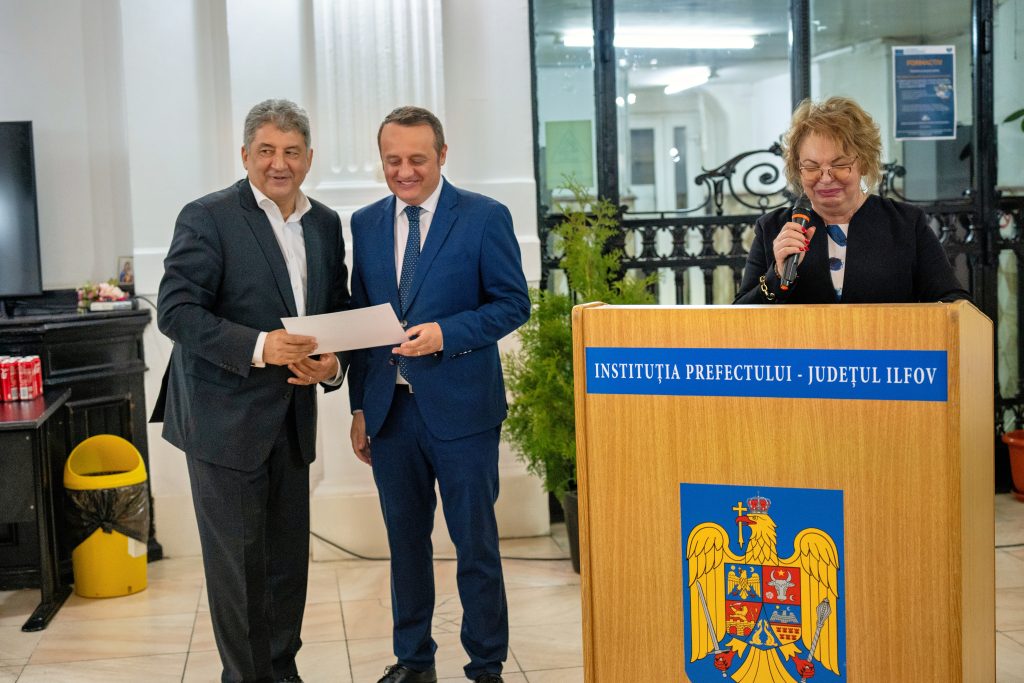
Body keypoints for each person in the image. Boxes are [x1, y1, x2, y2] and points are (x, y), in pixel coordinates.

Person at [153, 99, 350, 683]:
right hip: (222, 422)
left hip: (292, 419)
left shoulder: (324, 223)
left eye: (291, 151)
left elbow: (334, 312)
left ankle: (281, 671)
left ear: (309, 158)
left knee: (288, 564)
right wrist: (261, 345)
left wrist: (332, 365)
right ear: (244, 155)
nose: (278, 163)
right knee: (239, 572)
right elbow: (176, 312)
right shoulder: (208, 217)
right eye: (266, 150)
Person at [347, 106, 530, 683]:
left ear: (443, 155)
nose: (405, 171)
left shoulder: (484, 217)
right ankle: (413, 661)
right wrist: (360, 407)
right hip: (390, 414)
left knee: (475, 545)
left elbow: (512, 303)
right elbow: (361, 321)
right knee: (405, 545)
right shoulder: (364, 223)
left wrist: (447, 335)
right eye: (393, 160)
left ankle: (486, 665)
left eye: (417, 159)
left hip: (464, 412)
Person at [734, 96, 969, 304]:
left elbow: (952, 300)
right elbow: (741, 315)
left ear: (863, 163)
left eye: (839, 165)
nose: (826, 178)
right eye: (812, 167)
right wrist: (777, 275)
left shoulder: (906, 223)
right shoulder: (772, 228)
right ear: (798, 169)